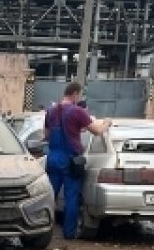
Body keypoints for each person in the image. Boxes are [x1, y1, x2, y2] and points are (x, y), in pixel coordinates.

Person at [43, 82, 110, 240]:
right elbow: (97, 131)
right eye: (79, 95)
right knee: (71, 197)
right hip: (71, 160)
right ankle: (69, 234)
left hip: (53, 158)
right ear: (75, 94)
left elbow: (46, 135)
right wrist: (107, 123)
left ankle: (44, 231)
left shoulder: (51, 111)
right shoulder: (78, 112)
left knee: (48, 197)